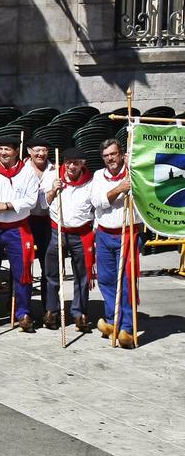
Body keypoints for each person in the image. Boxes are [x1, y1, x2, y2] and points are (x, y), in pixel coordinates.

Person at [0, 133, 40, 331]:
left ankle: (23, 312)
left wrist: (6, 205)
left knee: (22, 273)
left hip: (17, 227)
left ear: (15, 152)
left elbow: (31, 201)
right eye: (0, 149)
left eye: (7, 149)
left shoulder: (27, 172)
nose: (3, 153)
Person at [90, 138, 141, 347]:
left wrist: (131, 173)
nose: (110, 158)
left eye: (113, 154)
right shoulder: (98, 176)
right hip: (104, 234)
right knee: (106, 279)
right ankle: (113, 320)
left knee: (127, 281)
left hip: (127, 233)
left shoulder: (134, 173)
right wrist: (118, 189)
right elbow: (97, 201)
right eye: (106, 155)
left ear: (121, 154)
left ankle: (127, 327)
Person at [43, 149, 94, 333]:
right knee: (52, 274)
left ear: (83, 163)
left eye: (76, 163)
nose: (72, 166)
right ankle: (52, 311)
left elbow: (97, 206)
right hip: (58, 230)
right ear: (64, 162)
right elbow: (42, 203)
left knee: (82, 276)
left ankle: (79, 313)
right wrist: (52, 190)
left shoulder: (91, 181)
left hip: (82, 233)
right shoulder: (53, 176)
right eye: (69, 162)